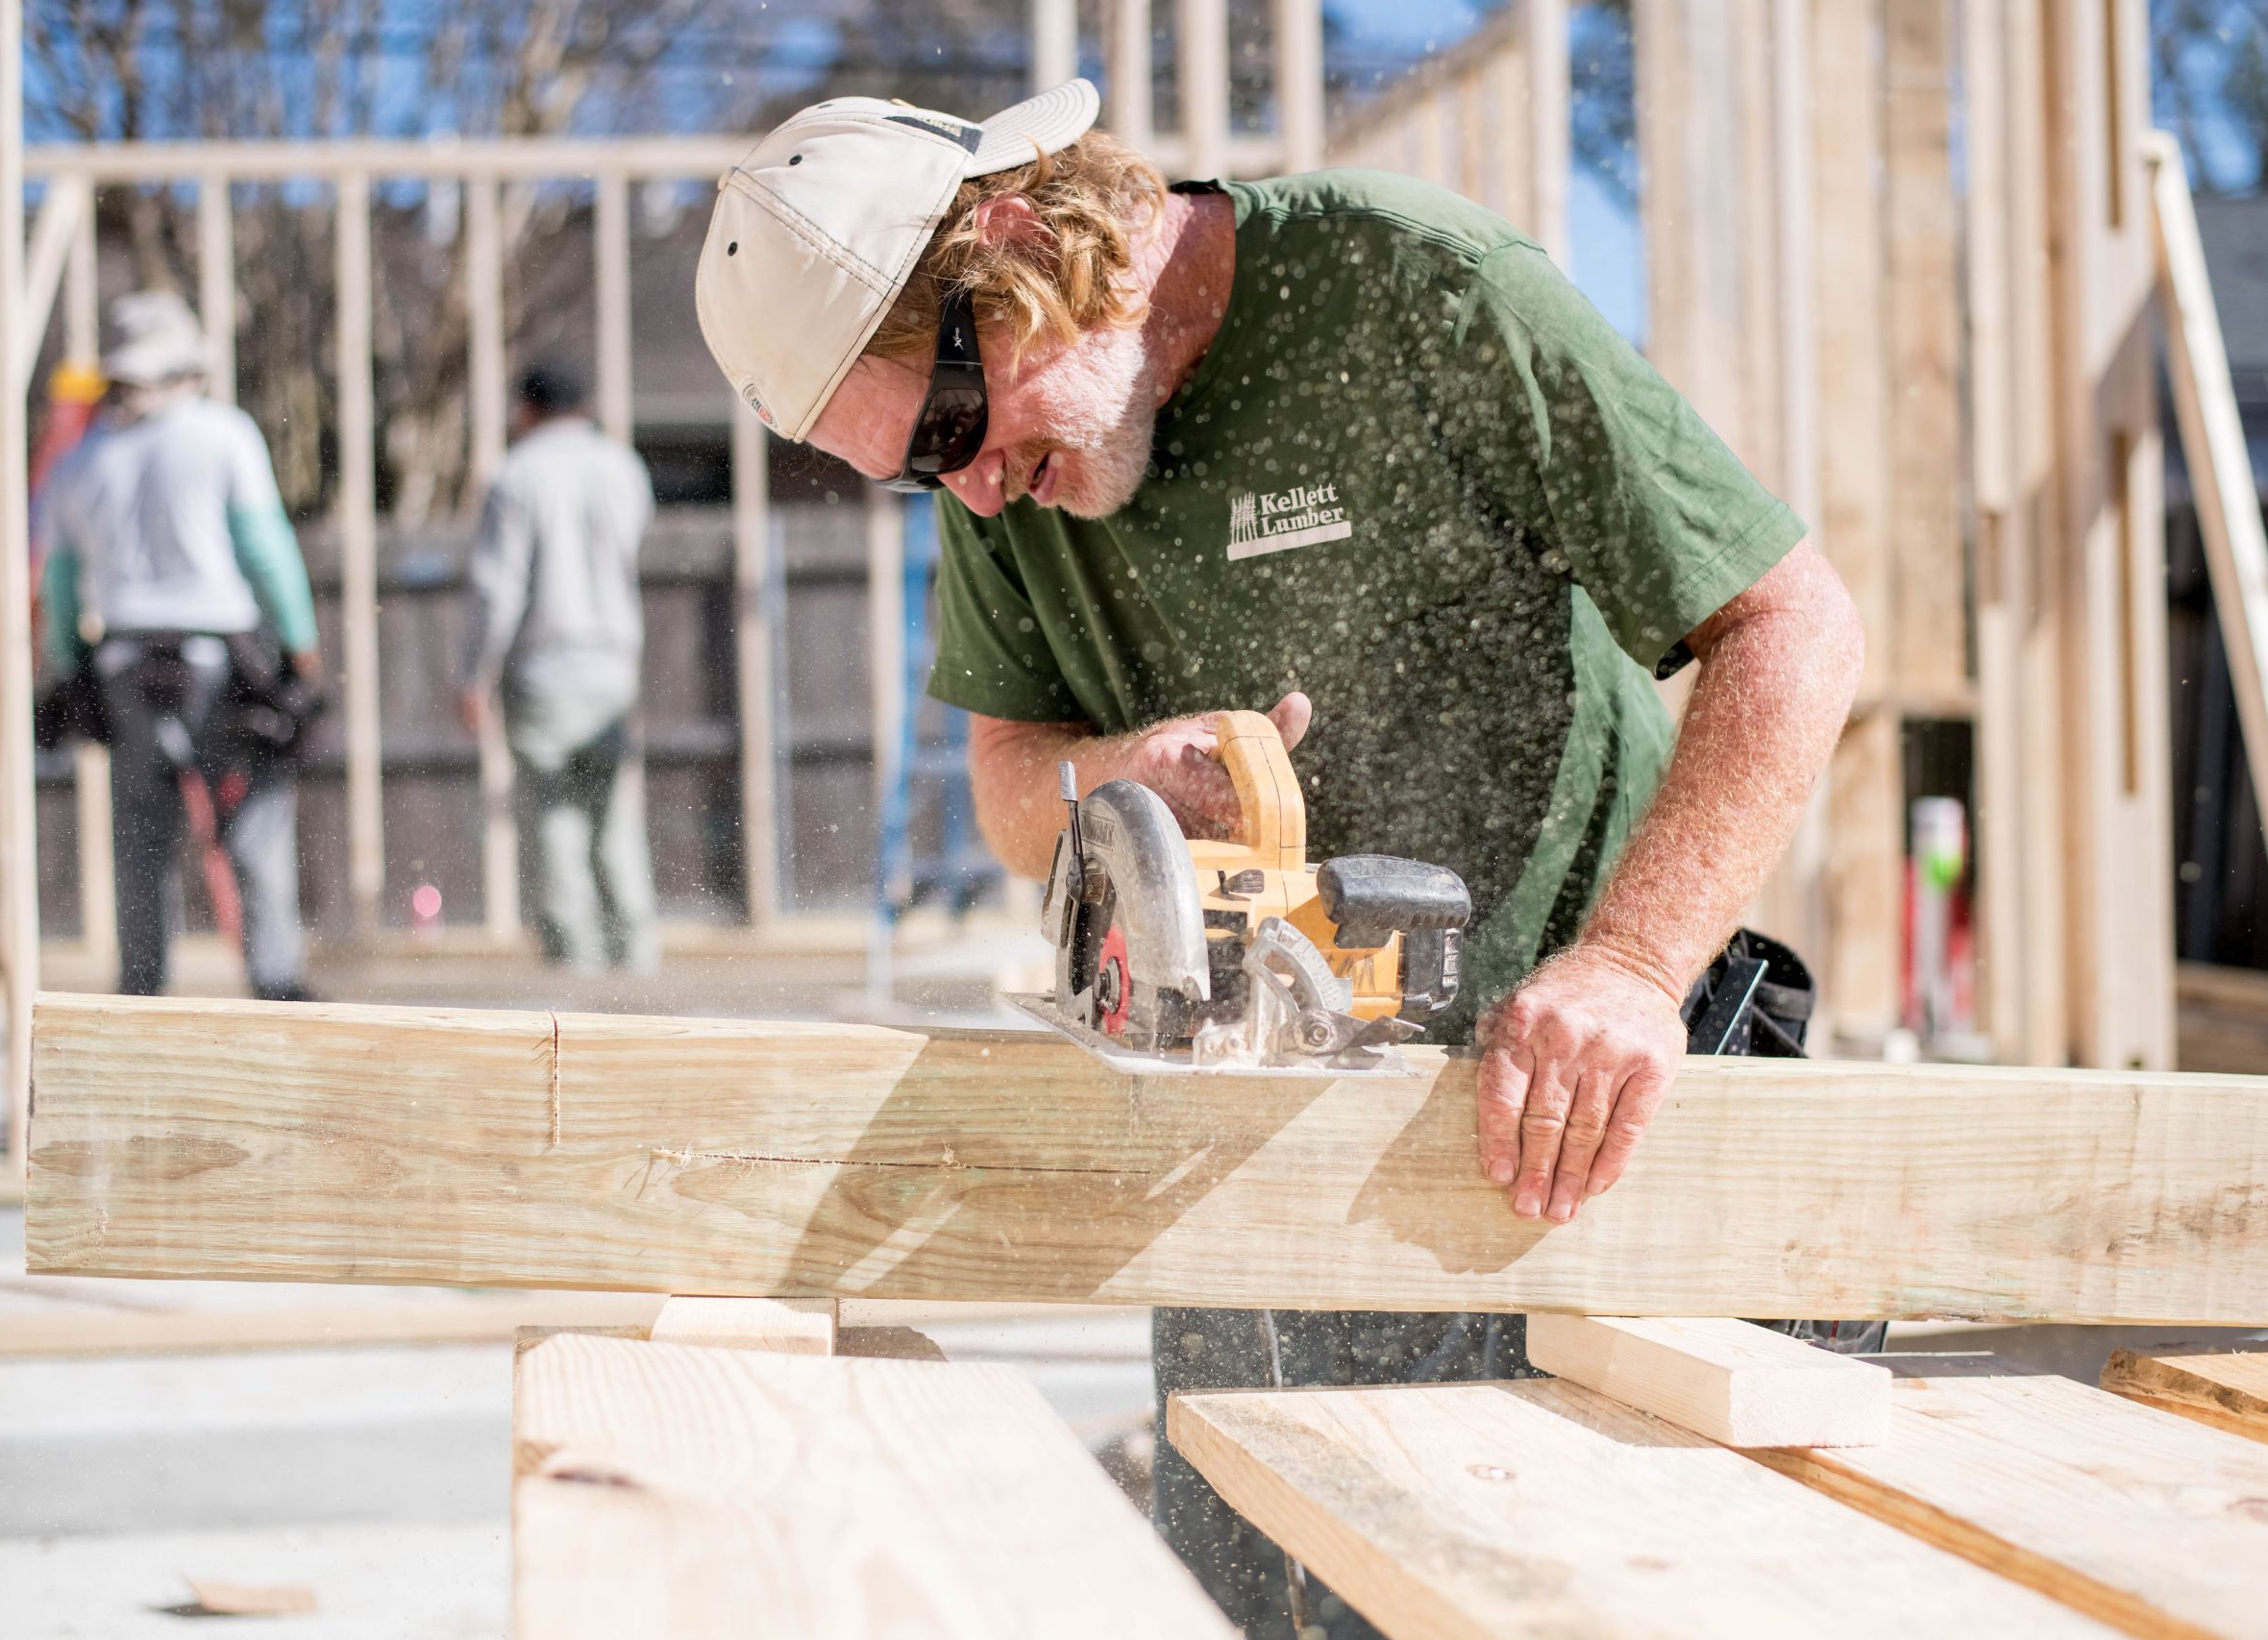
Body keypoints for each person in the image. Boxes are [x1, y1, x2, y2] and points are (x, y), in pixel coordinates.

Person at [695, 82, 1865, 1635]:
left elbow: (1795, 626)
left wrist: (1635, 966)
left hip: (1590, 1125)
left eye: (957, 432)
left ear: (1023, 241)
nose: (969, 491)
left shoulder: (1415, 292)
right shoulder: (1007, 472)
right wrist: (1126, 775)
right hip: (1267, 1166)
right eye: (921, 475)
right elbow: (1007, 783)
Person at [39, 291, 322, 1002]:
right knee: (252, 823)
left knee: (141, 840)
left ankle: (141, 992)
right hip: (216, 659)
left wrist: (72, 666)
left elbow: (64, 585)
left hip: (124, 663)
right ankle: (277, 985)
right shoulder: (221, 435)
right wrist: (300, 643)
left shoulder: (80, 463)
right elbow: (266, 548)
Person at [458, 363, 659, 975]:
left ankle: (576, 953)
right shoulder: (622, 467)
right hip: (611, 663)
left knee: (552, 814)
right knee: (612, 810)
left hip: (545, 666)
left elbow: (498, 589)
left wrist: (473, 673)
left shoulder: (517, 474)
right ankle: (636, 943)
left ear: (527, 409)